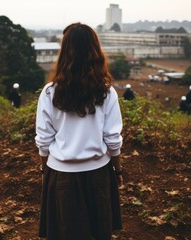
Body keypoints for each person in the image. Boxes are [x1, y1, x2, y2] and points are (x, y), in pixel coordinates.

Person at [35, 23, 123, 240]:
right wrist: (117, 171)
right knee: (98, 233)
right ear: (96, 50)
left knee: (65, 233)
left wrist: (45, 170)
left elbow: (44, 140)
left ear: (64, 51)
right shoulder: (106, 92)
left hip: (61, 175)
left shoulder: (49, 93)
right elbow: (113, 139)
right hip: (98, 174)